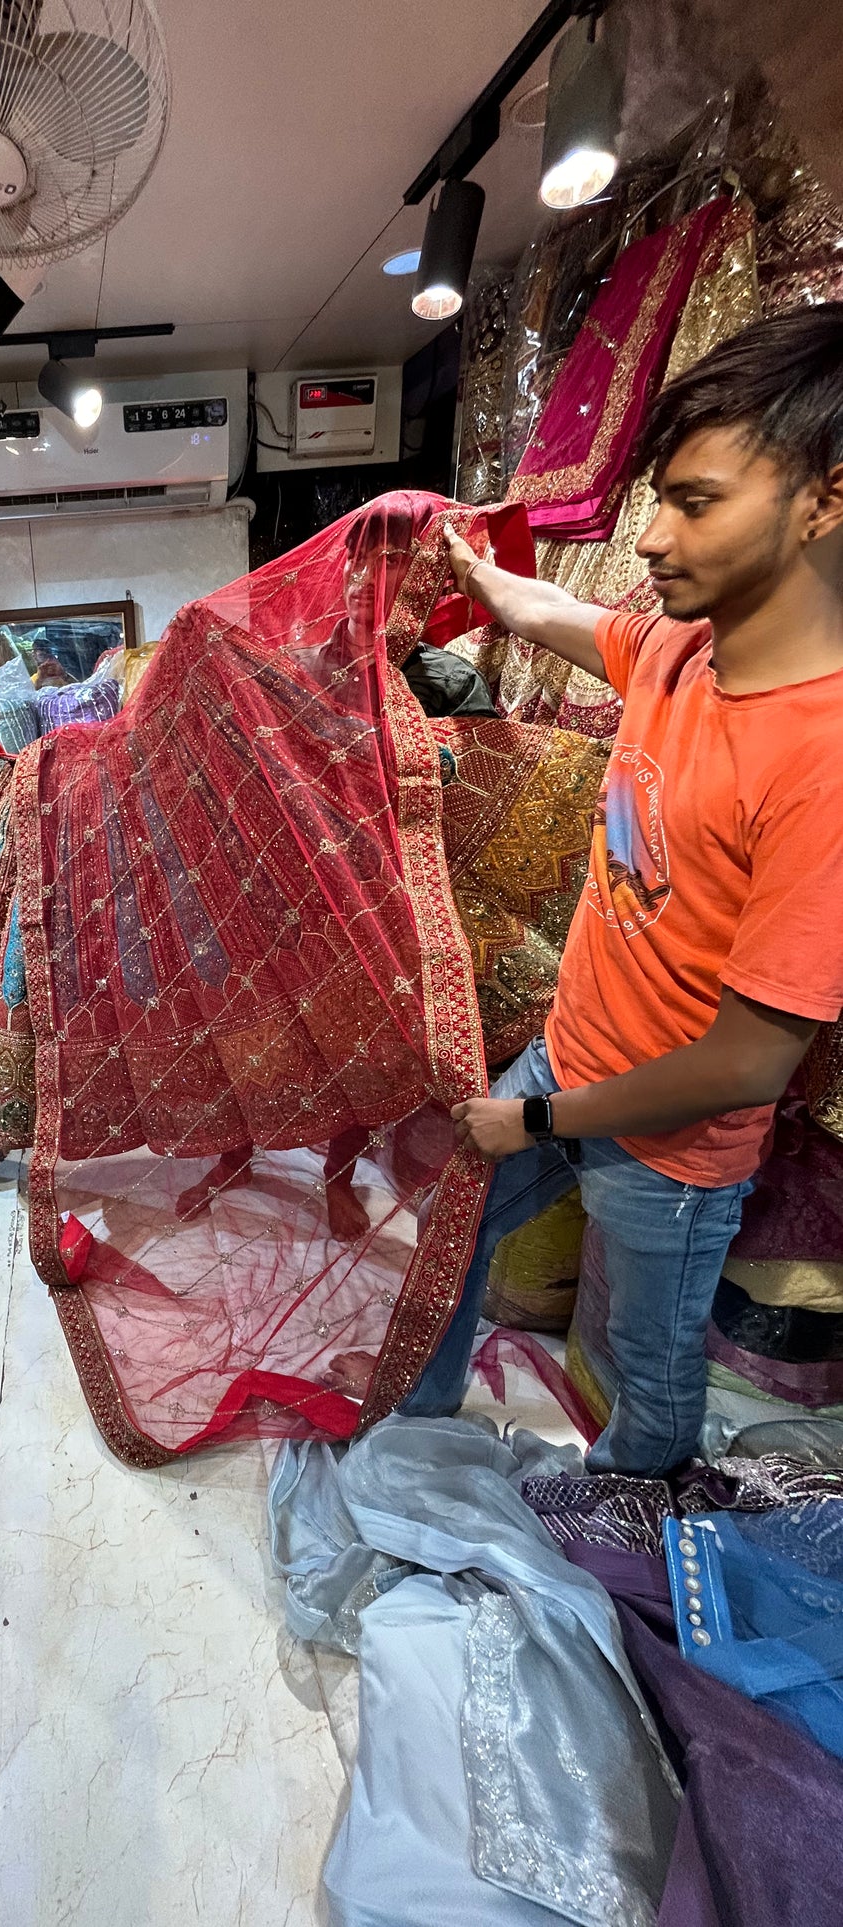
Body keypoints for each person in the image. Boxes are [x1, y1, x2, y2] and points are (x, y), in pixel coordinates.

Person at [408, 303, 843, 1474]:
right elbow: (561, 615)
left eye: (694, 501)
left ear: (823, 500)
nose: (649, 537)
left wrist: (533, 1117)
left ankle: (636, 1519)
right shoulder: (681, 649)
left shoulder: (819, 762)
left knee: (648, 1372)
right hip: (571, 1056)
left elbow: (750, 1061)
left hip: (671, 1141)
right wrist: (463, 568)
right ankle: (418, 1445)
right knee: (444, 1240)